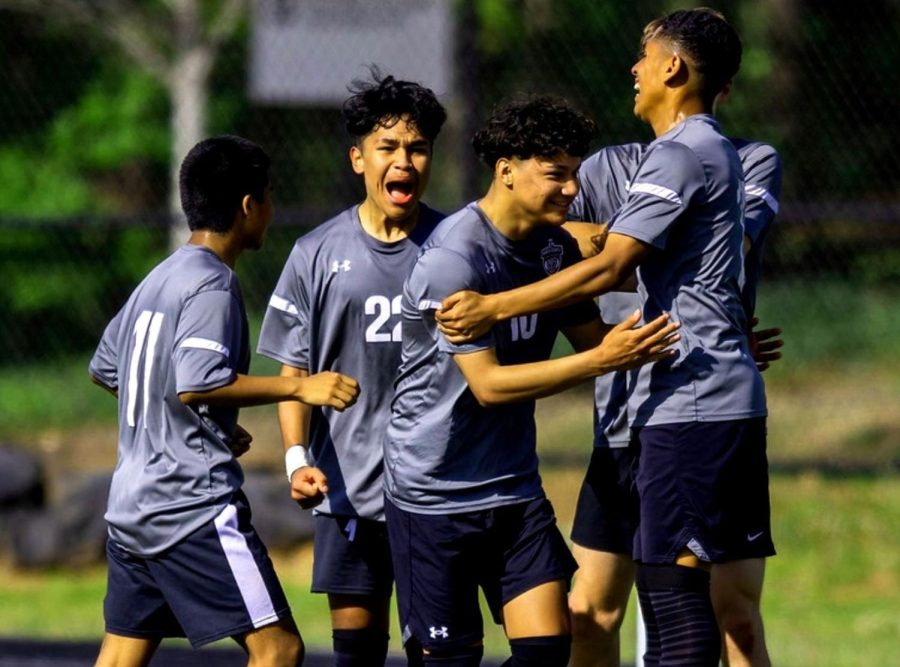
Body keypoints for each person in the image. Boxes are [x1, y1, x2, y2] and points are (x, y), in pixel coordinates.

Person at [436, 9, 773, 666]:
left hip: (692, 406)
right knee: (630, 601)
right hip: (678, 406)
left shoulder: (682, 152)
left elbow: (613, 262)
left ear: (673, 67)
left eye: (644, 57)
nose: (634, 69)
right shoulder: (693, 152)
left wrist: (494, 305)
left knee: (678, 606)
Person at [383, 96, 681, 667]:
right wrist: (603, 361)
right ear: (506, 171)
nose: (572, 189)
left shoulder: (553, 248)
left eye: (575, 173)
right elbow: (490, 386)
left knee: (549, 650)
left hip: (514, 489)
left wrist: (716, 347)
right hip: (433, 494)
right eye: (556, 175)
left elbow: (596, 339)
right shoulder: (453, 258)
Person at [88, 135, 360, 667]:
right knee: (279, 649)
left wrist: (200, 422)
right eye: (269, 196)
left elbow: (107, 368)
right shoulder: (213, 285)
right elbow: (197, 382)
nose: (272, 209)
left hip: (131, 508)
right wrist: (300, 386)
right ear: (247, 206)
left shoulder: (161, 275)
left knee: (121, 655)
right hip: (191, 508)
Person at [566, 135, 783, 667]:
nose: (638, 69)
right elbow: (541, 233)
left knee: (733, 620)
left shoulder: (748, 159)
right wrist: (607, 244)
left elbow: (724, 246)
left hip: (702, 414)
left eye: (649, 54)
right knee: (588, 613)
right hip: (621, 420)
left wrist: (617, 249)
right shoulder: (606, 166)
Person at [256, 71, 447, 667]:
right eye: (388, 148)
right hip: (348, 494)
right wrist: (296, 459)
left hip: (437, 492)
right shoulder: (315, 252)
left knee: (436, 651)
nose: (404, 162)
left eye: (417, 149)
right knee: (357, 653)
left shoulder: (454, 244)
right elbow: (293, 368)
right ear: (358, 158)